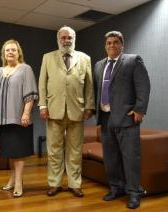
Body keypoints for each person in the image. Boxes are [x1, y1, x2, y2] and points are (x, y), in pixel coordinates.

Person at [93, 31, 150, 209]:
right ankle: (116, 188)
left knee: (130, 158)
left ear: (122, 45)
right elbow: (95, 90)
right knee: (111, 158)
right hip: (105, 118)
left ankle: (134, 193)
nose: (112, 45)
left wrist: (140, 110)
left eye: (115, 42)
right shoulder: (98, 65)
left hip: (126, 119)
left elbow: (144, 86)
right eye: (109, 43)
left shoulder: (133, 61)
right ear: (105, 46)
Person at [38, 26, 94, 197]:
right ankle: (54, 183)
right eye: (63, 38)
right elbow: (42, 82)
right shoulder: (48, 58)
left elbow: (89, 85)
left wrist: (89, 106)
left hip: (77, 110)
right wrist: (42, 105)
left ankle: (74, 184)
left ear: (74, 39)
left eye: (69, 37)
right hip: (54, 110)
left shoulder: (85, 58)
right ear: (58, 40)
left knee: (75, 150)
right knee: (54, 150)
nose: (66, 40)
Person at [0, 39, 38, 198]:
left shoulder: (25, 69)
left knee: (18, 152)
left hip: (19, 117)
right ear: (3, 54)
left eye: (13, 50)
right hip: (3, 119)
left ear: (19, 52)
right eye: (7, 50)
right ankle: (12, 179)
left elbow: (31, 93)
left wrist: (26, 113)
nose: (10, 52)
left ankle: (19, 182)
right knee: (10, 152)